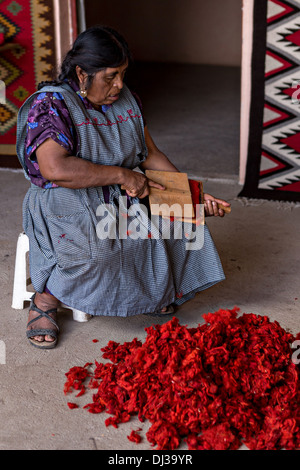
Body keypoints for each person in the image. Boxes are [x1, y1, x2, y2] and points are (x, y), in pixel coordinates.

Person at [16, 25, 231, 349]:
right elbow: (55, 168)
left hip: (121, 192)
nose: (119, 85)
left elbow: (151, 154)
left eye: (123, 74)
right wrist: (121, 175)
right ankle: (47, 299)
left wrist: (190, 195)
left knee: (184, 221)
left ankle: (153, 292)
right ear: (82, 73)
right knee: (97, 247)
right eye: (110, 76)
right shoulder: (52, 106)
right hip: (65, 198)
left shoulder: (126, 100)